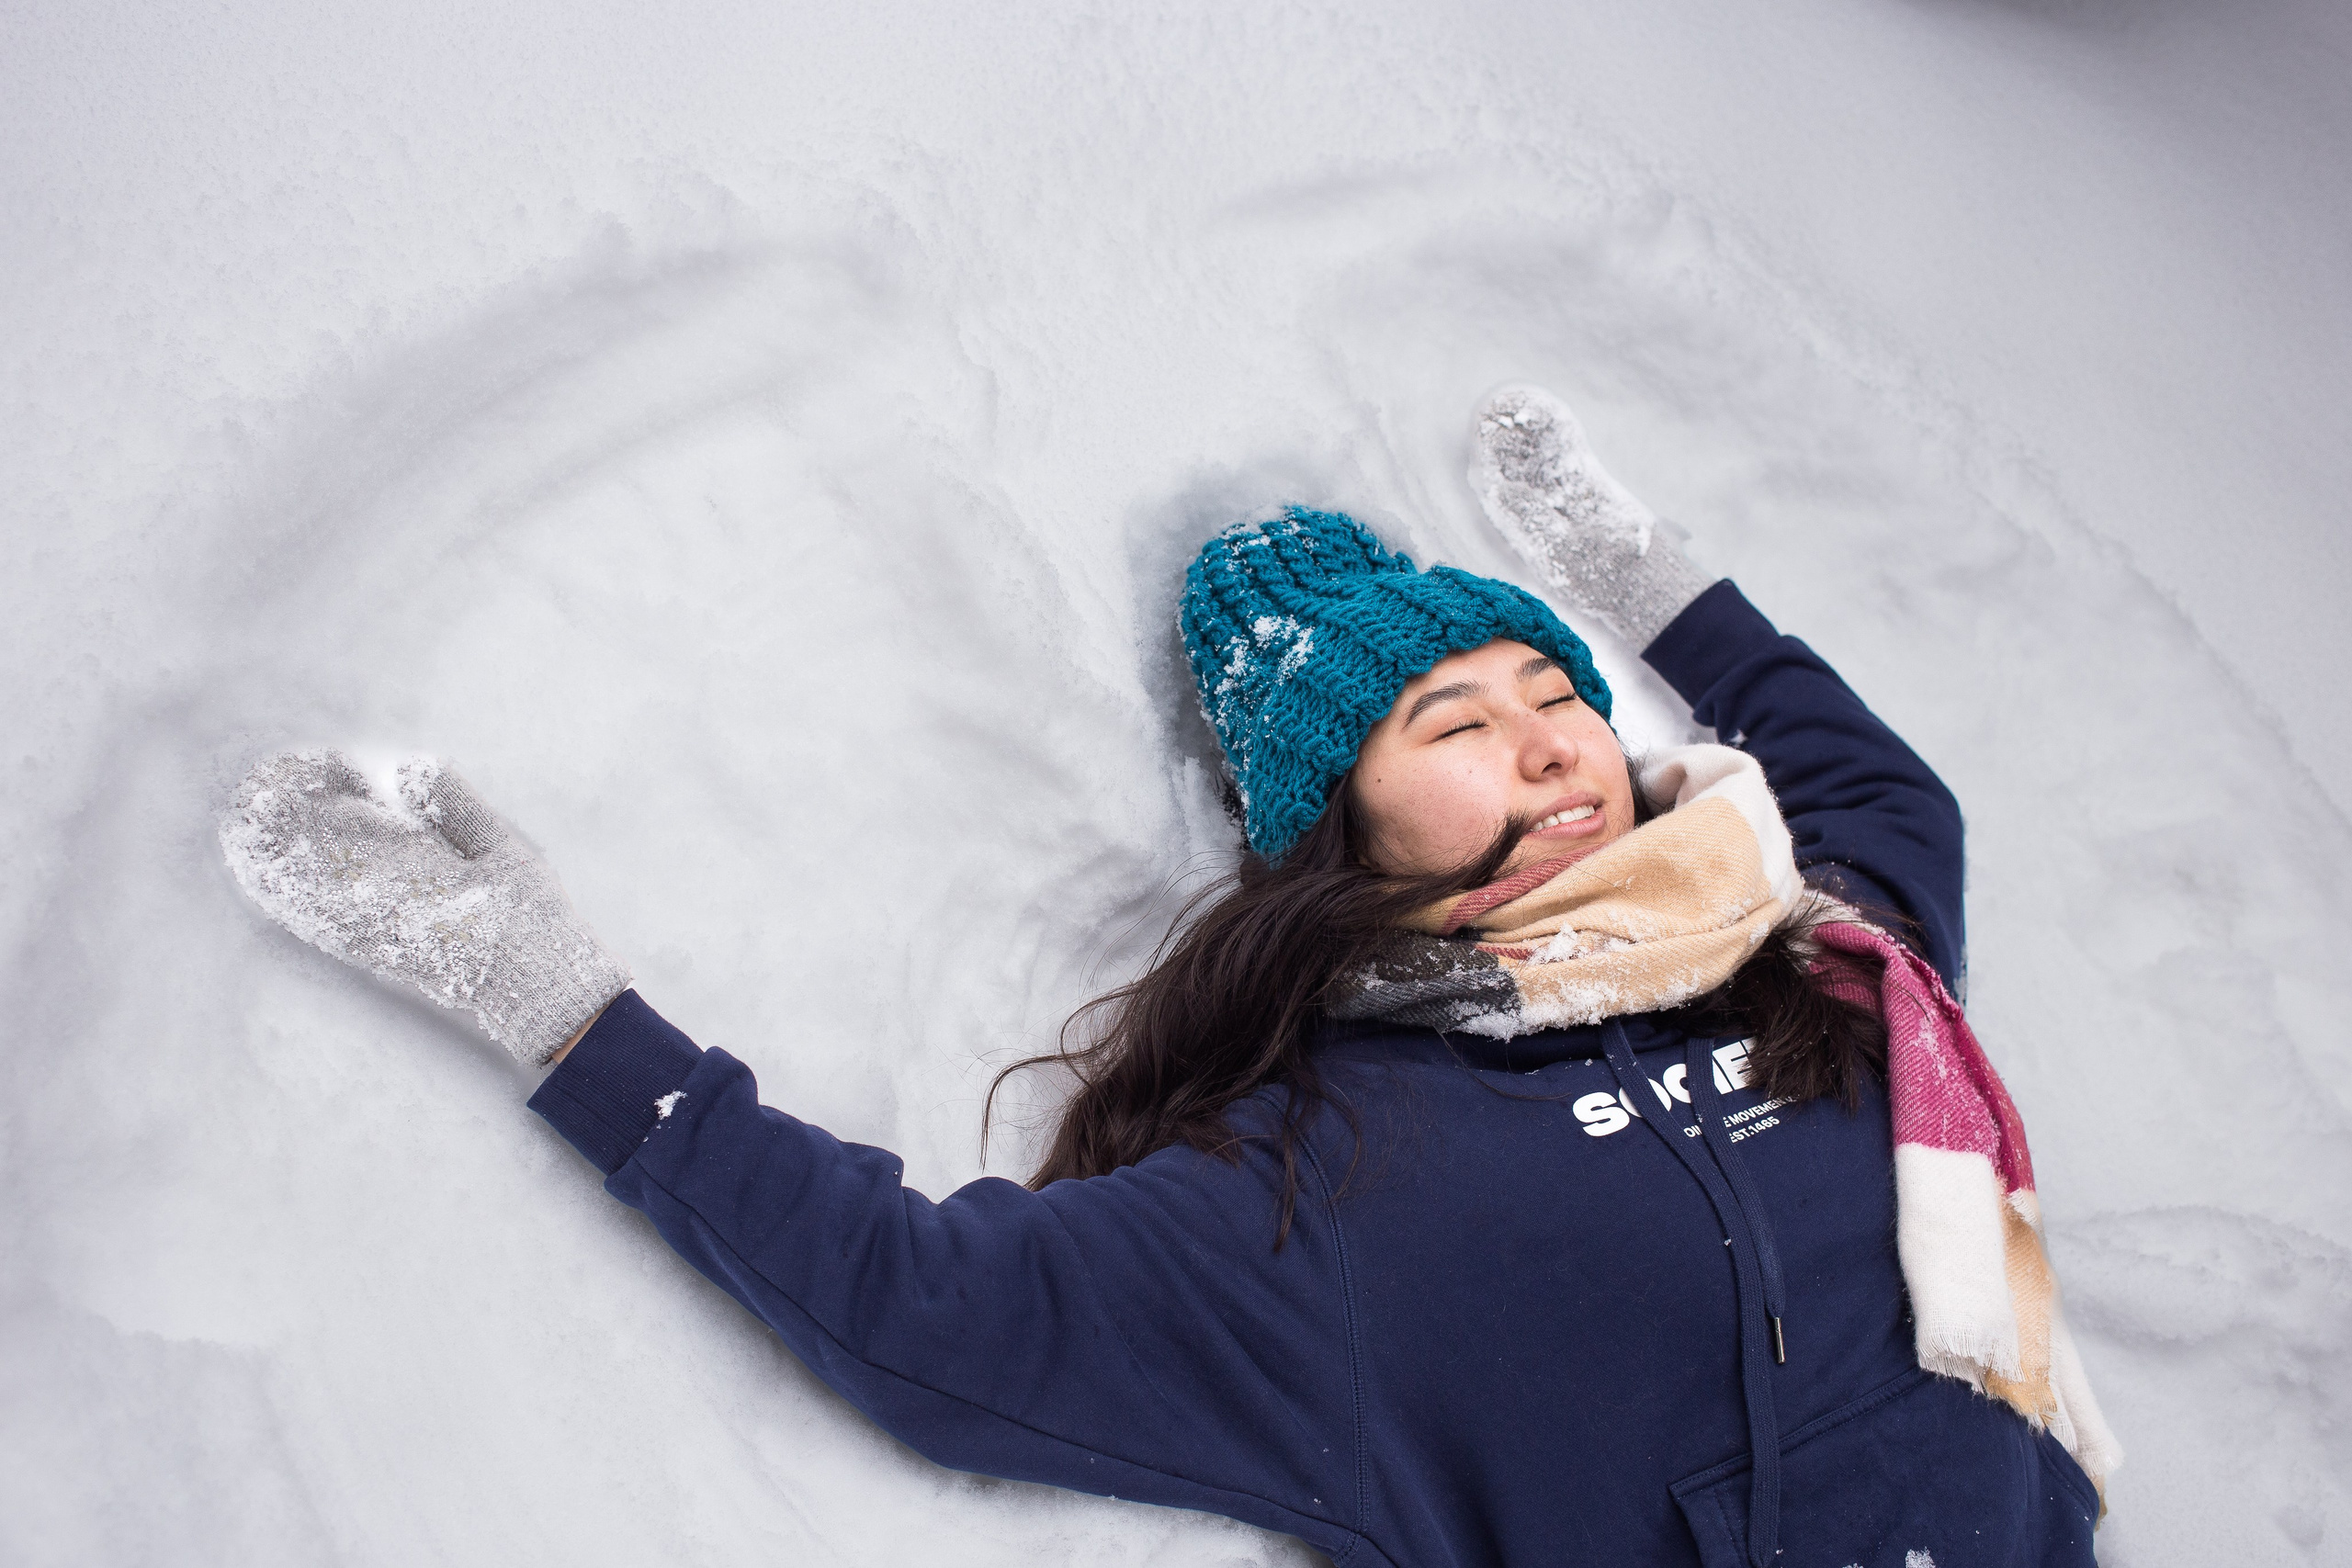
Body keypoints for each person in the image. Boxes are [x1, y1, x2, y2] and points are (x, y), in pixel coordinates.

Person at [220, 385, 2119, 1568]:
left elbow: (1881, 787)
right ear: (1337, 835)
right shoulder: (1333, 1176)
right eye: (1454, 719)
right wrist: (553, 1004)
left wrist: (1650, 584)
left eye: (1561, 698)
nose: (1553, 744)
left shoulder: (1824, 949)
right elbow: (924, 1309)